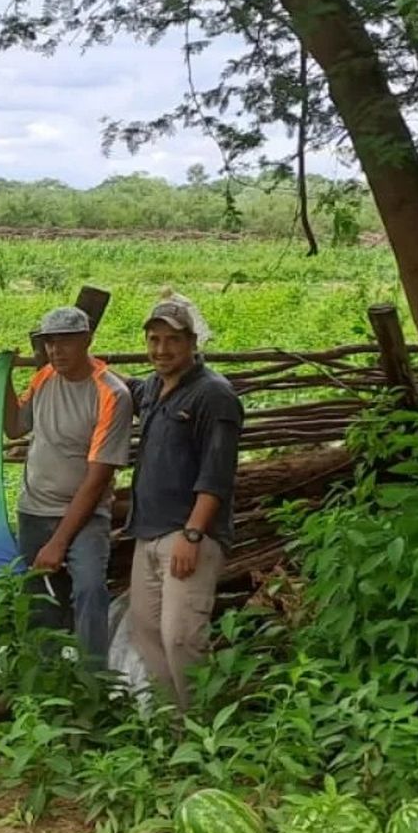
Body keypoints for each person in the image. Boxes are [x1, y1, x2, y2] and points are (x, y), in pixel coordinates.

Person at [125, 296, 244, 708]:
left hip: (188, 535)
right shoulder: (153, 387)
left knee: (182, 637)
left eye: (172, 340)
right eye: (154, 339)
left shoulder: (214, 396)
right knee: (147, 632)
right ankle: (174, 730)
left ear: (192, 342)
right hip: (148, 533)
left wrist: (193, 534)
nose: (161, 349)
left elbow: (218, 473)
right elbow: (118, 386)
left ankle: (204, 728)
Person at [3, 304, 132, 671]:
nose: (56, 351)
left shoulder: (111, 394)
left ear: (88, 340)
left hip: (85, 515)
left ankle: (93, 682)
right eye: (50, 343)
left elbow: (97, 478)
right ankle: (46, 680)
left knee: (89, 590)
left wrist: (59, 540)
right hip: (34, 509)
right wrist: (2, 381)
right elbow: (15, 428)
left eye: (66, 342)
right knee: (39, 600)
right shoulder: (44, 377)